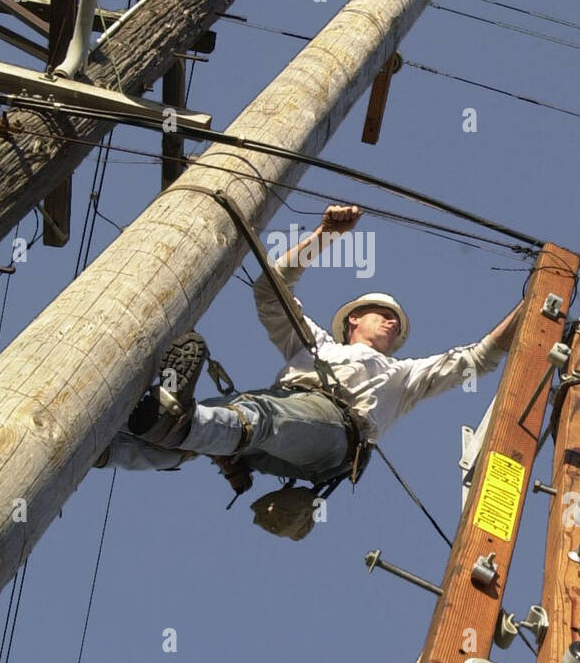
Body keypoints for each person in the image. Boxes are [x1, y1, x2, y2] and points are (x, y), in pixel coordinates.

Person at [97, 205, 524, 511]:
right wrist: (326, 237)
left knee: (249, 416)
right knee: (199, 432)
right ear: (354, 318)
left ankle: (172, 417)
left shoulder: (404, 376)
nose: (393, 325)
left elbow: (478, 358)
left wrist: (533, 304)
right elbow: (271, 287)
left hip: (331, 438)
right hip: (272, 427)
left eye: (398, 324)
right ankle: (107, 448)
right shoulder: (317, 346)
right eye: (385, 315)